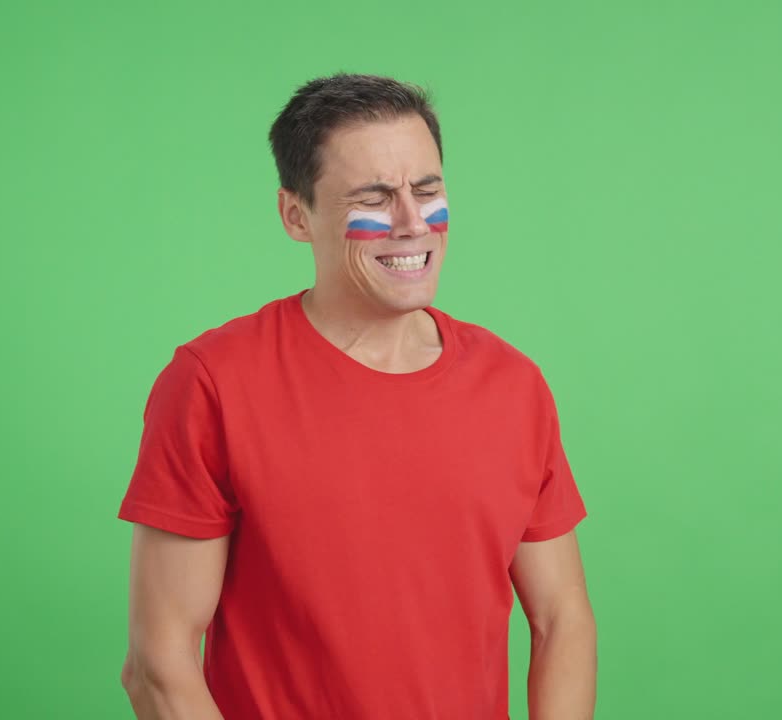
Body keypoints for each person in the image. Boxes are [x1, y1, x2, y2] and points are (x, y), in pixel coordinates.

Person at [115, 73, 596, 719]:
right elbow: (158, 663)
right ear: (296, 215)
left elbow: (562, 618)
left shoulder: (513, 385)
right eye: (374, 196)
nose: (411, 222)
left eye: (426, 190)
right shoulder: (213, 384)